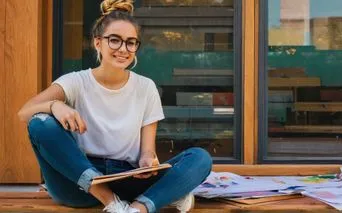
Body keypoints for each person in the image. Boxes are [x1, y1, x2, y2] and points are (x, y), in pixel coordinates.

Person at [17, 0, 212, 212]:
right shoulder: (75, 82)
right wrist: (55, 105)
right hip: (81, 182)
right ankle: (115, 202)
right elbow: (25, 112)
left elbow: (147, 151)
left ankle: (138, 208)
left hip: (127, 178)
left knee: (200, 158)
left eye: (131, 42)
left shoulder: (146, 88)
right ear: (98, 42)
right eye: (115, 40)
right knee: (40, 123)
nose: (123, 49)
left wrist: (148, 161)